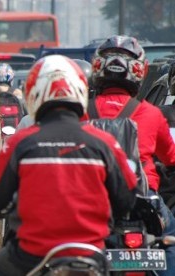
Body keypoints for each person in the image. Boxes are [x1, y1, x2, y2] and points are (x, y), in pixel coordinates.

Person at [0, 54, 137, 276]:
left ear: (34, 92)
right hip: (91, 256)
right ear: (81, 90)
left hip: (31, 258)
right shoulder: (105, 142)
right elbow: (127, 200)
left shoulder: (20, 143)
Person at [87, 35, 175, 276]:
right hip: (143, 201)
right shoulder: (151, 113)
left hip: (90, 201)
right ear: (138, 71)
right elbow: (171, 159)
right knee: (170, 240)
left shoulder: (81, 113)